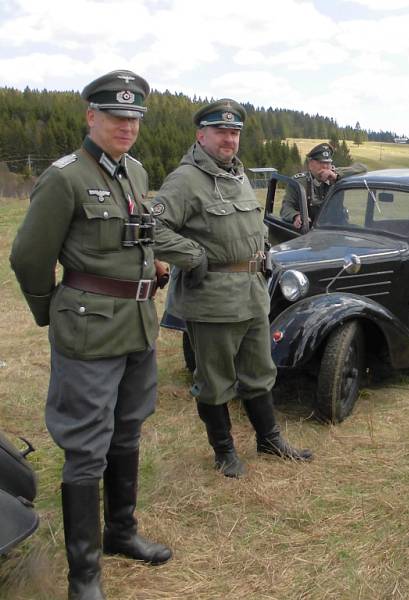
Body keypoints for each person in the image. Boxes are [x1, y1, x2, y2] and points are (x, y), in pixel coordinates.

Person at [10, 70, 172, 600]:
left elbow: (131, 239)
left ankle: (120, 533)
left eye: (134, 118)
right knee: (86, 446)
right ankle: (85, 575)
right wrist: (49, 312)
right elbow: (29, 256)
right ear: (91, 116)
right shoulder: (65, 177)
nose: (127, 126)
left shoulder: (136, 171)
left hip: (137, 324)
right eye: (116, 116)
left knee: (128, 429)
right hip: (88, 331)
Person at [147, 99, 312, 479]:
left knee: (259, 370)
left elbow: (249, 226)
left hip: (252, 292)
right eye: (221, 131)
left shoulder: (236, 175)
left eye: (234, 132)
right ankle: (224, 452)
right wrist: (191, 254)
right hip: (212, 297)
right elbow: (152, 229)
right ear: (201, 134)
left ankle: (269, 439)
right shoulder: (186, 180)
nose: (229, 139)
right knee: (216, 380)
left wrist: (264, 252)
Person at [281, 143, 365, 228]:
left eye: (328, 163)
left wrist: (337, 176)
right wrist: (296, 216)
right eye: (320, 163)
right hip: (311, 232)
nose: (325, 166)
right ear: (310, 165)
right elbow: (286, 208)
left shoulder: (336, 175)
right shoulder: (299, 183)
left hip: (338, 228)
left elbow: (361, 167)